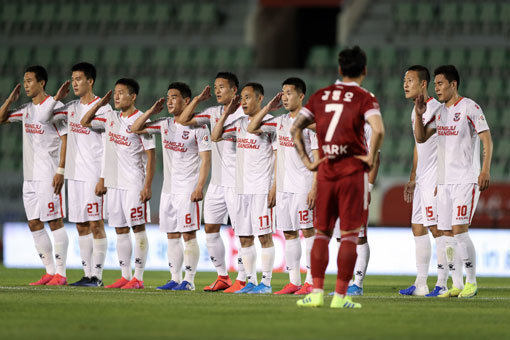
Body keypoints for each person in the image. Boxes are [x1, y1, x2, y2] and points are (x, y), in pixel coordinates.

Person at [292, 46, 384, 309]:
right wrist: (370, 157)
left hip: (326, 173)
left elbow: (295, 127)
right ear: (364, 70)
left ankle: (317, 293)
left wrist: (309, 161)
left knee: (321, 233)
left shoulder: (320, 95)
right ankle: (341, 297)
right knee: (350, 235)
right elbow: (378, 129)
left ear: (340, 69)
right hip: (352, 174)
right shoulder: (365, 97)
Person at [414, 65, 493, 298]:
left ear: (453, 84)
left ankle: (472, 281)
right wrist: (419, 115)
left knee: (459, 231)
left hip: (465, 180)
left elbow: (486, 139)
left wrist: (485, 170)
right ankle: (456, 283)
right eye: (435, 84)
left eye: (440, 83)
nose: (436, 88)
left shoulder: (469, 107)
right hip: (444, 182)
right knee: (446, 234)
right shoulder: (438, 112)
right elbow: (420, 137)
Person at [132, 82, 211, 291]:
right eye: (167, 97)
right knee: (172, 235)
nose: (169, 101)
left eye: (174, 97)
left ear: (186, 101)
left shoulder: (200, 127)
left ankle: (189, 281)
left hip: (188, 189)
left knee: (188, 235)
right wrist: (150, 111)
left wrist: (199, 186)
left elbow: (206, 160)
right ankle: (175, 278)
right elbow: (135, 128)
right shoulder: (164, 124)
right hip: (168, 189)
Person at [80, 78, 156, 289]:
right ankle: (125, 275)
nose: (116, 96)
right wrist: (99, 103)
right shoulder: (110, 117)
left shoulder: (142, 120)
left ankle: (138, 278)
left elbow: (151, 155)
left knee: (137, 228)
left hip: (133, 182)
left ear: (133, 96)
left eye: (121, 93)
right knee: (120, 229)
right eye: (115, 93)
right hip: (114, 183)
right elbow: (84, 122)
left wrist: (147, 185)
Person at [246, 77, 317, 295]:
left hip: (304, 185)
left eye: (289, 93)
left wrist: (315, 187)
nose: (285, 97)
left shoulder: (311, 122)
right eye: (283, 92)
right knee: (289, 232)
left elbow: (318, 155)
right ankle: (294, 281)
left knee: (308, 231)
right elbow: (251, 127)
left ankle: (312, 281)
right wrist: (269, 106)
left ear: (301, 96)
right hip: (284, 188)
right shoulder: (280, 121)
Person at [40, 62, 109, 287]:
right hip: (75, 175)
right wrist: (56, 97)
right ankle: (87, 274)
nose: (74, 83)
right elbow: (43, 117)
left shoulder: (103, 108)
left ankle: (97, 277)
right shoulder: (70, 107)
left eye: (78, 78)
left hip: (94, 174)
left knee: (95, 223)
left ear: (90, 81)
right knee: (80, 225)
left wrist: (103, 176)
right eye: (72, 79)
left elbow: (109, 144)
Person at [178, 72, 247, 292]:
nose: (217, 91)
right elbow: (183, 120)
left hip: (238, 183)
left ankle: (244, 279)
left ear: (234, 90)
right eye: (215, 87)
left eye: (222, 87)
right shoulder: (212, 112)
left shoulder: (245, 115)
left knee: (242, 232)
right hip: (217, 183)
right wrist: (198, 99)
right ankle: (222, 277)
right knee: (210, 228)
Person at [0, 66, 69, 286]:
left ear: (42, 83)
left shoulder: (56, 106)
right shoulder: (26, 109)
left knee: (54, 221)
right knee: (34, 223)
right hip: (29, 175)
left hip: (49, 173)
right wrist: (10, 100)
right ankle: (49, 272)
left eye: (30, 80)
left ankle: (61, 273)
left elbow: (66, 138)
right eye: (25, 81)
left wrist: (60, 170)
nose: (26, 84)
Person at [211, 82, 276, 294]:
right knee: (245, 237)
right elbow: (215, 135)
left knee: (264, 236)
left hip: (261, 189)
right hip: (241, 189)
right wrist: (227, 112)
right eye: (243, 98)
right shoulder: (238, 123)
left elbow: (278, 156)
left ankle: (266, 283)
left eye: (248, 97)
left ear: (260, 98)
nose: (244, 102)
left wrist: (274, 187)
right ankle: (250, 281)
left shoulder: (270, 124)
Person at [399, 65, 446, 297]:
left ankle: (445, 282)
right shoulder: (415, 111)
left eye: (410, 80)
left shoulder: (436, 109)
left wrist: (440, 179)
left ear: (423, 83)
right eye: (404, 80)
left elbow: (443, 147)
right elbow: (419, 146)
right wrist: (412, 177)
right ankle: (420, 284)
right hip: (422, 179)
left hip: (435, 178)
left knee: (437, 229)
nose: (405, 84)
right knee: (417, 227)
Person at [331, 121, 380, 297]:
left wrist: (369, 187)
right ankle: (347, 283)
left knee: (358, 237)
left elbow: (374, 158)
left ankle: (358, 284)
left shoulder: (367, 128)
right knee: (340, 238)